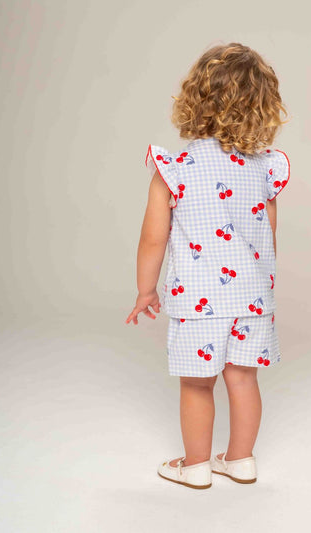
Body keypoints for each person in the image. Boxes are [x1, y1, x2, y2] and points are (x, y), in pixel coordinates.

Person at [125, 42, 291, 489]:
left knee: (198, 384)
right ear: (263, 107)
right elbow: (268, 239)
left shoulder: (175, 168)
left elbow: (152, 239)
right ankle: (240, 460)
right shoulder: (265, 170)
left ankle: (196, 465)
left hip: (199, 299)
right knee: (243, 379)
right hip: (252, 299)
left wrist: (146, 290)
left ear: (194, 99)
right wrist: (259, 287)